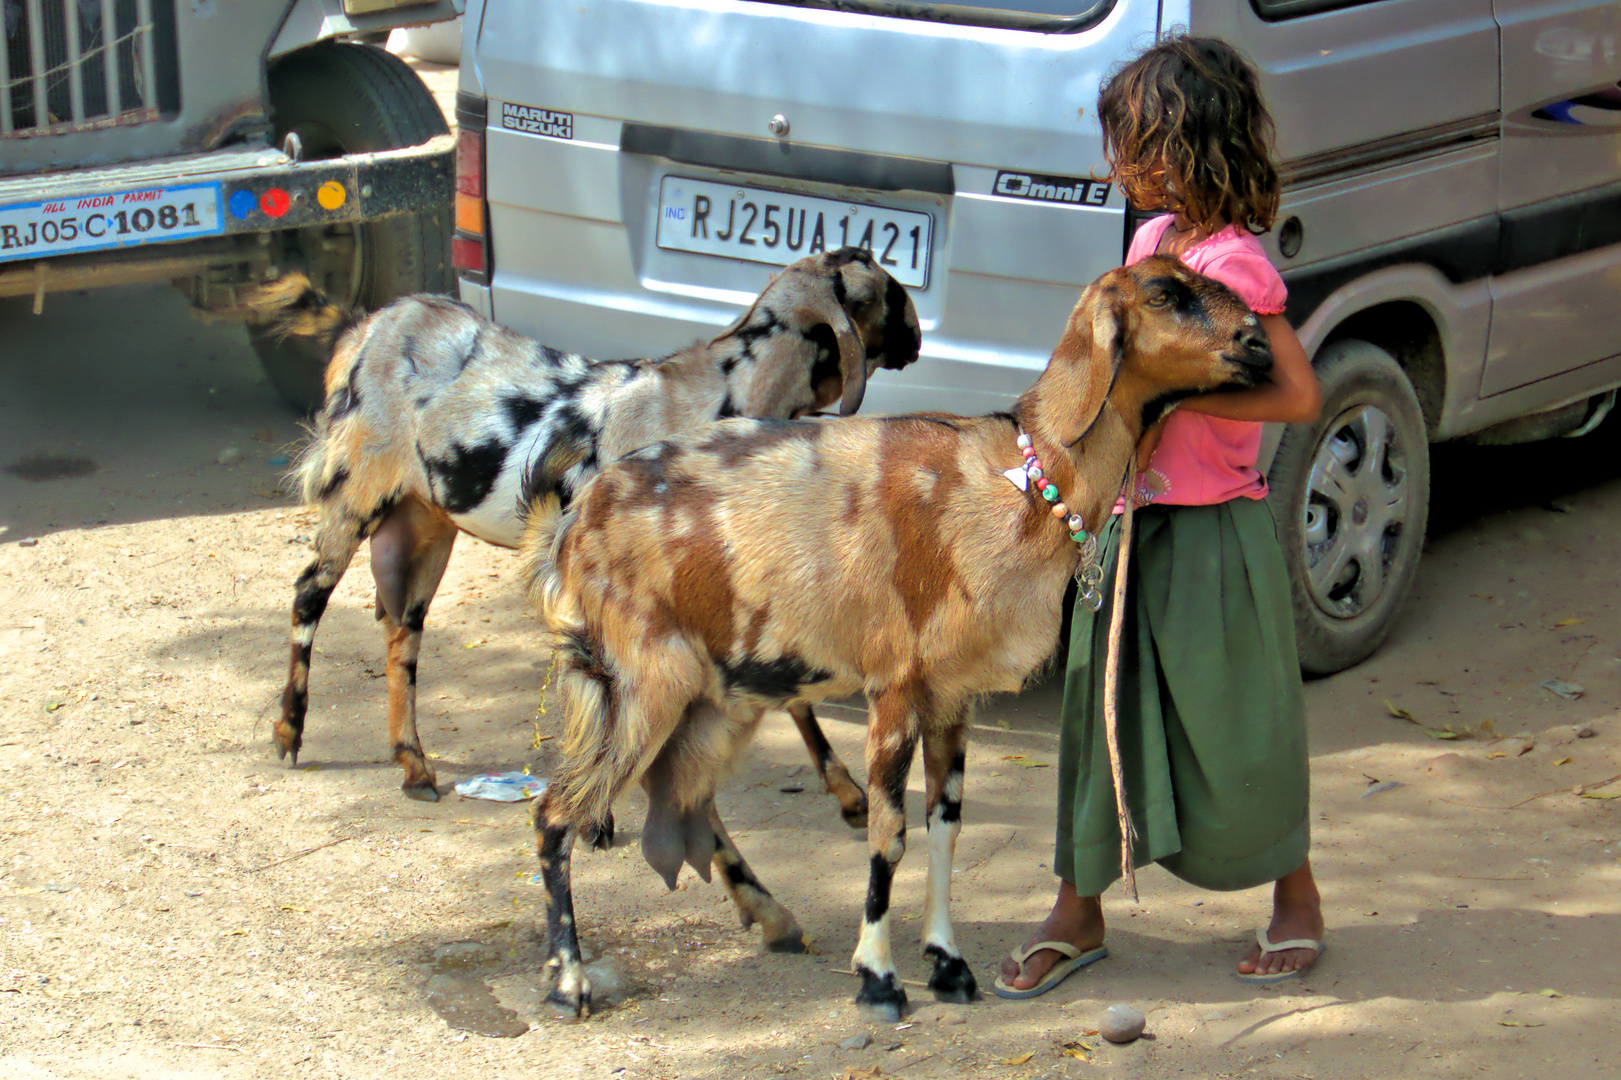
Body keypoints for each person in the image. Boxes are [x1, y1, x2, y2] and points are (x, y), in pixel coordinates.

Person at [994, 34, 1326, 998]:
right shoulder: (1150, 246)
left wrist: (1174, 397)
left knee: (1239, 728)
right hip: (1124, 528)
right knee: (1097, 721)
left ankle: (1295, 898)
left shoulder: (1234, 268)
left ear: (1192, 145)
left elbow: (1294, 394)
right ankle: (1077, 910)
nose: (1118, 168)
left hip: (1211, 532)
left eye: (1134, 146)